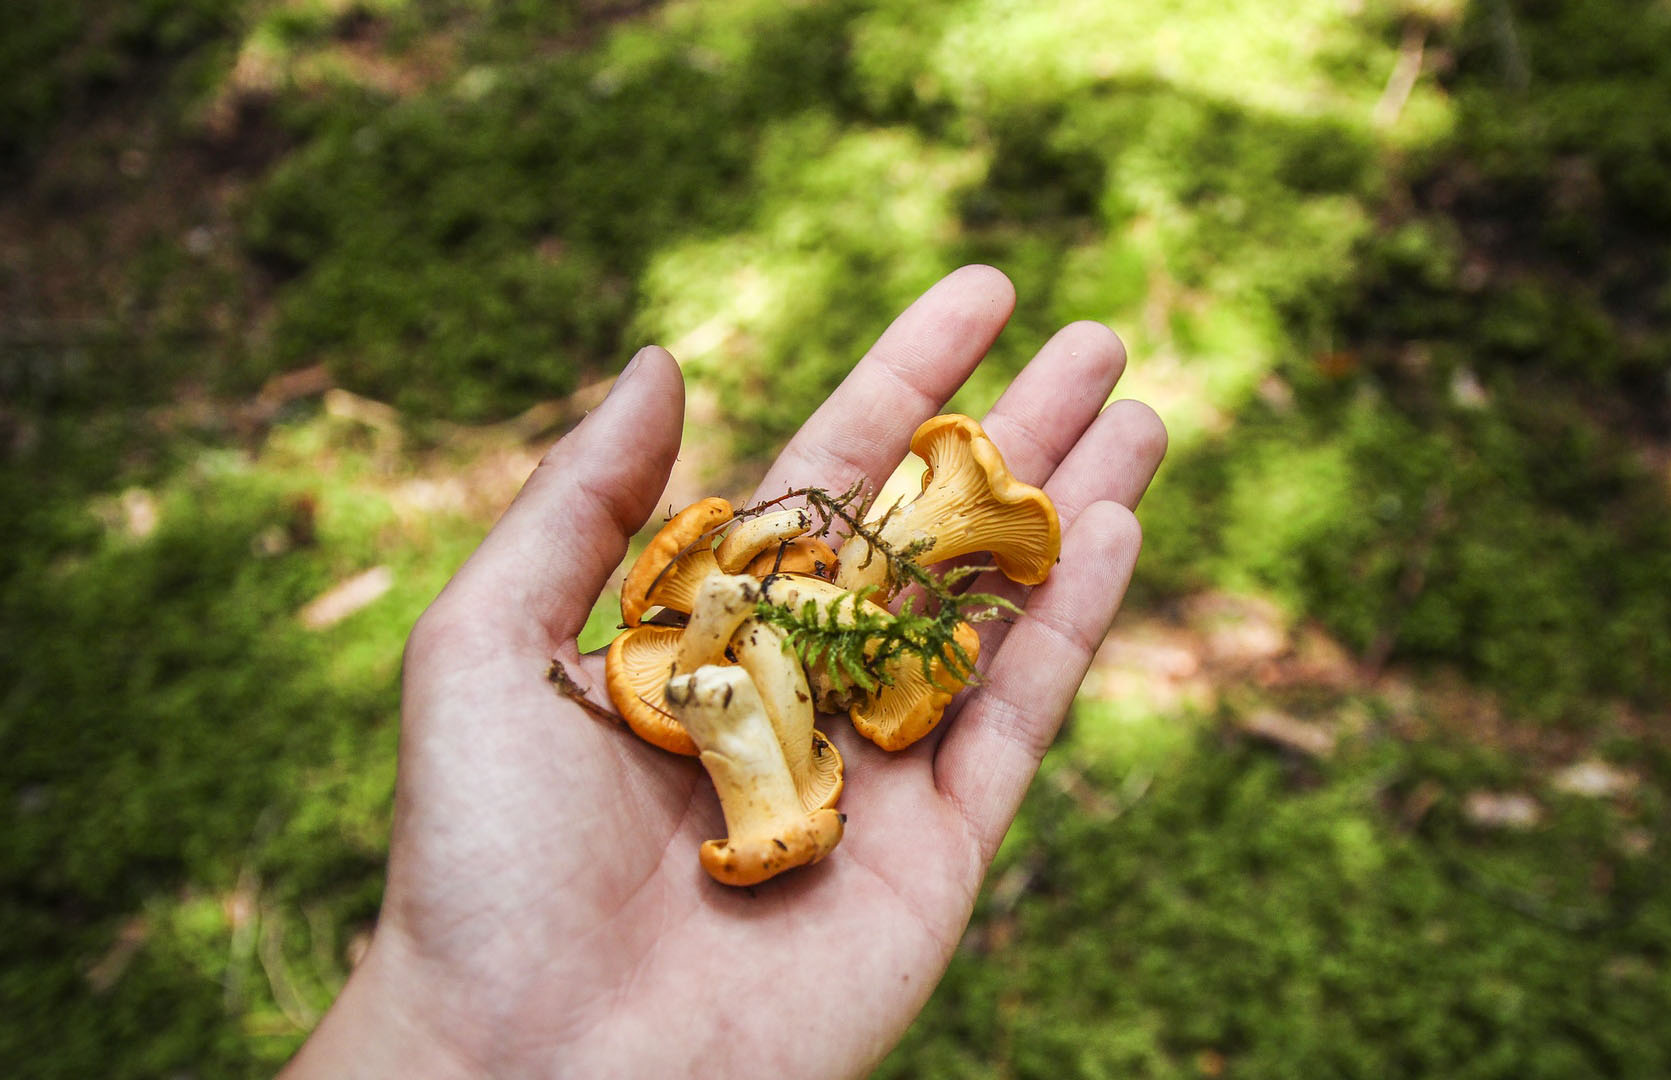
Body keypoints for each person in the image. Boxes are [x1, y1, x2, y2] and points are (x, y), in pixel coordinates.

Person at [280, 266, 1167, 1078]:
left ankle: (882, 633)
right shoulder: (712, 643)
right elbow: (721, 639)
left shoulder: (809, 601)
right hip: (772, 758)